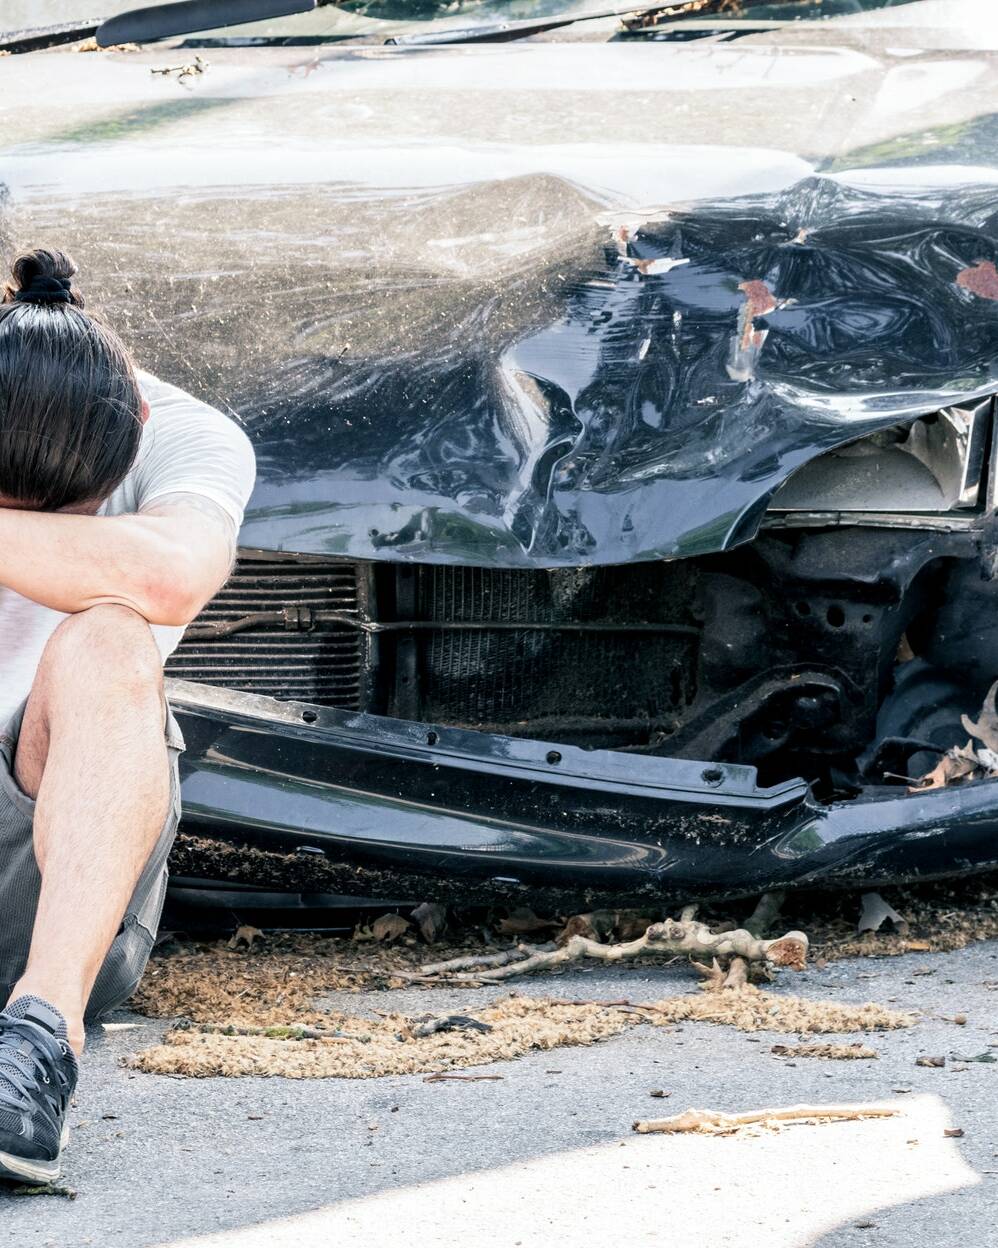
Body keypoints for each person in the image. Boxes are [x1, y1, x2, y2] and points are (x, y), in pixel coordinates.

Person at [0, 247, 256, 1184]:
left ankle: (36, 1045)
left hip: (40, 886)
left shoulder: (174, 427)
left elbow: (172, 574)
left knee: (112, 638)